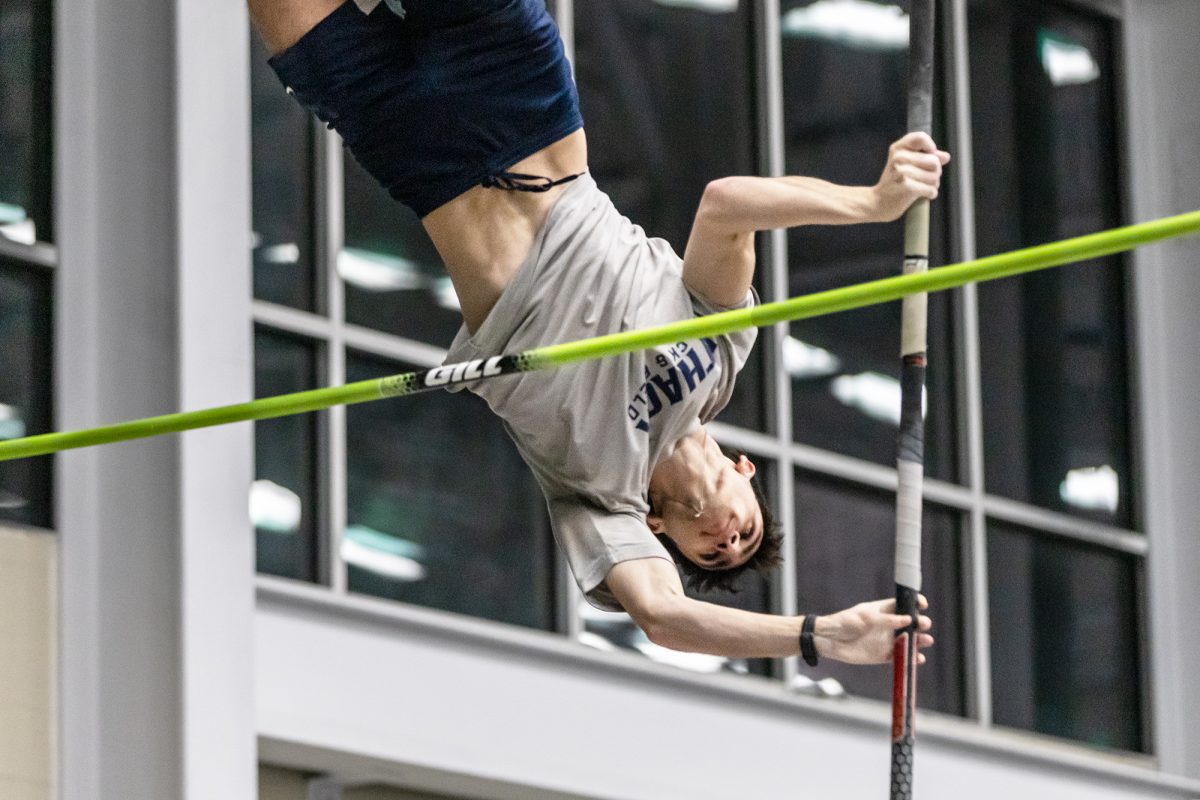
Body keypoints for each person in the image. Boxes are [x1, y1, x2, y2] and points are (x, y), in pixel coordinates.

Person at [249, 0, 945, 663]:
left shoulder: (603, 502)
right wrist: (872, 203)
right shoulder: (723, 350)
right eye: (746, 531)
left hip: (414, 150)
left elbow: (665, 620)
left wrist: (816, 635)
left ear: (658, 534)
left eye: (710, 554)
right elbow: (727, 206)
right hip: (521, 100)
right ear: (745, 472)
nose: (725, 540)